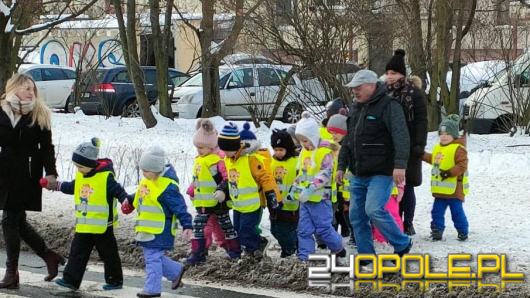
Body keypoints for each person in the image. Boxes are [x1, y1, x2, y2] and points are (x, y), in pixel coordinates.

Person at [337, 69, 412, 260]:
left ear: (371, 85)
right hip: (358, 172)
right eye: (353, 87)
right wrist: (341, 166)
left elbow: (401, 136)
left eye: (358, 87)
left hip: (381, 171)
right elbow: (348, 140)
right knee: (356, 216)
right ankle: (366, 256)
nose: (354, 91)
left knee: (374, 209)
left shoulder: (389, 106)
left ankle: (402, 243)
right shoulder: (355, 108)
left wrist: (400, 165)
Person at [0, 73, 65, 289]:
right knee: (18, 222)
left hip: (27, 174)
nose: (31, 92)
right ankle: (48, 256)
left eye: (32, 89)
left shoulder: (39, 114)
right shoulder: (2, 110)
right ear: (14, 88)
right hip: (4, 173)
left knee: (9, 220)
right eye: (26, 88)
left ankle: (12, 273)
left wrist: (51, 173)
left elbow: (47, 148)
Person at [50, 138, 127, 291]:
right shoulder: (81, 175)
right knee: (77, 252)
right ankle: (70, 280)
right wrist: (56, 186)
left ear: (91, 164)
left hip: (102, 226)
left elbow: (118, 191)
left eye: (81, 166)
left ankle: (115, 280)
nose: (78, 169)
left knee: (109, 254)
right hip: (84, 225)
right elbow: (72, 187)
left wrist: (125, 200)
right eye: (76, 166)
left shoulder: (106, 177)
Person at [123, 146, 193, 298]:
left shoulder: (168, 187)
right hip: (147, 230)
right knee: (155, 257)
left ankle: (152, 289)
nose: (143, 174)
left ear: (156, 169)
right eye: (142, 170)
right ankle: (176, 271)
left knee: (152, 258)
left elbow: (179, 206)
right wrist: (129, 200)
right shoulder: (148, 181)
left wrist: (187, 224)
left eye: (146, 171)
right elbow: (141, 194)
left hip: (161, 231)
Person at [216, 122, 281, 259]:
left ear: (234, 147)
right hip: (239, 204)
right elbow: (231, 179)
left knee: (247, 230)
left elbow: (266, 178)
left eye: (227, 150)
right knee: (239, 230)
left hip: (253, 204)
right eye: (223, 150)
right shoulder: (228, 160)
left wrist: (272, 195)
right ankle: (255, 244)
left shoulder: (250, 159)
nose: (224, 153)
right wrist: (223, 190)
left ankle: (253, 251)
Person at [384, 49, 428, 236]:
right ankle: (395, 219)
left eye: (393, 73)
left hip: (410, 147)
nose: (390, 77)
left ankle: (407, 221)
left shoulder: (414, 94)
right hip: (389, 147)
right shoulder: (384, 92)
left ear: (402, 74)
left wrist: (419, 145)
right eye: (388, 73)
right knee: (391, 187)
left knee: (407, 185)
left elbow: (421, 121)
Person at [186, 119, 240, 265]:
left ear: (211, 146)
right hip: (203, 202)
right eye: (197, 147)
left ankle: (233, 250)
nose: (198, 150)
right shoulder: (199, 160)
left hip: (217, 202)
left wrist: (222, 190)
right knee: (201, 227)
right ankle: (199, 252)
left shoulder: (217, 160)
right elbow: (198, 179)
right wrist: (192, 189)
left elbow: (227, 178)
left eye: (202, 147)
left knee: (223, 226)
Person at [293, 112, 346, 262]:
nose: (304, 144)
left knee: (323, 229)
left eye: (306, 140)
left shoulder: (324, 152)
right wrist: (295, 189)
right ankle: (305, 258)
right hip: (305, 200)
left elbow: (325, 174)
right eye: (302, 141)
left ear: (313, 137)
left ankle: (338, 248)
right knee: (303, 230)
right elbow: (302, 174)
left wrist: (310, 188)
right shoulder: (304, 152)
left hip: (320, 199)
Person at [422, 115, 469, 241]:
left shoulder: (458, 149)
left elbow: (462, 165)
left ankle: (462, 230)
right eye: (441, 133)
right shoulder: (438, 148)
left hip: (455, 190)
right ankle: (437, 230)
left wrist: (449, 173)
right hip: (440, 191)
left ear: (453, 135)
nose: (443, 136)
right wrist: (422, 155)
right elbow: (434, 160)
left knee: (456, 213)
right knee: (436, 212)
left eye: (447, 134)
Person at [326, 111, 355, 246]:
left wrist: (348, 193)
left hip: (348, 187)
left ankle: (355, 235)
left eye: (336, 132)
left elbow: (350, 170)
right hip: (335, 185)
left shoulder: (350, 147)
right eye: (331, 132)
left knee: (349, 212)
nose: (333, 135)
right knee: (336, 212)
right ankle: (334, 235)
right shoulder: (331, 147)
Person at [270, 128, 299, 258]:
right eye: (276, 150)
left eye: (281, 150)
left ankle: (290, 249)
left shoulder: (295, 162)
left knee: (286, 230)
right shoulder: (271, 162)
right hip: (275, 204)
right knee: (275, 230)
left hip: (290, 205)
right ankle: (289, 246)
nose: (278, 153)